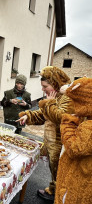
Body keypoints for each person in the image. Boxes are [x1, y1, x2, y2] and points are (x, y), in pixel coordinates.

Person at [17, 66, 74, 201]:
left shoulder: (68, 97)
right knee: (54, 169)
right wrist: (28, 116)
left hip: (60, 143)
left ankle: (58, 196)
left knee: (60, 172)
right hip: (51, 141)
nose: (43, 89)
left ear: (54, 83)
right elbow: (44, 114)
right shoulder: (54, 96)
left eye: (45, 86)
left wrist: (48, 103)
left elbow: (60, 117)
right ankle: (54, 190)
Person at [54, 77, 92, 204]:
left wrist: (68, 123)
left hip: (76, 185)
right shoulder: (87, 118)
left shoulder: (89, 126)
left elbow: (75, 148)